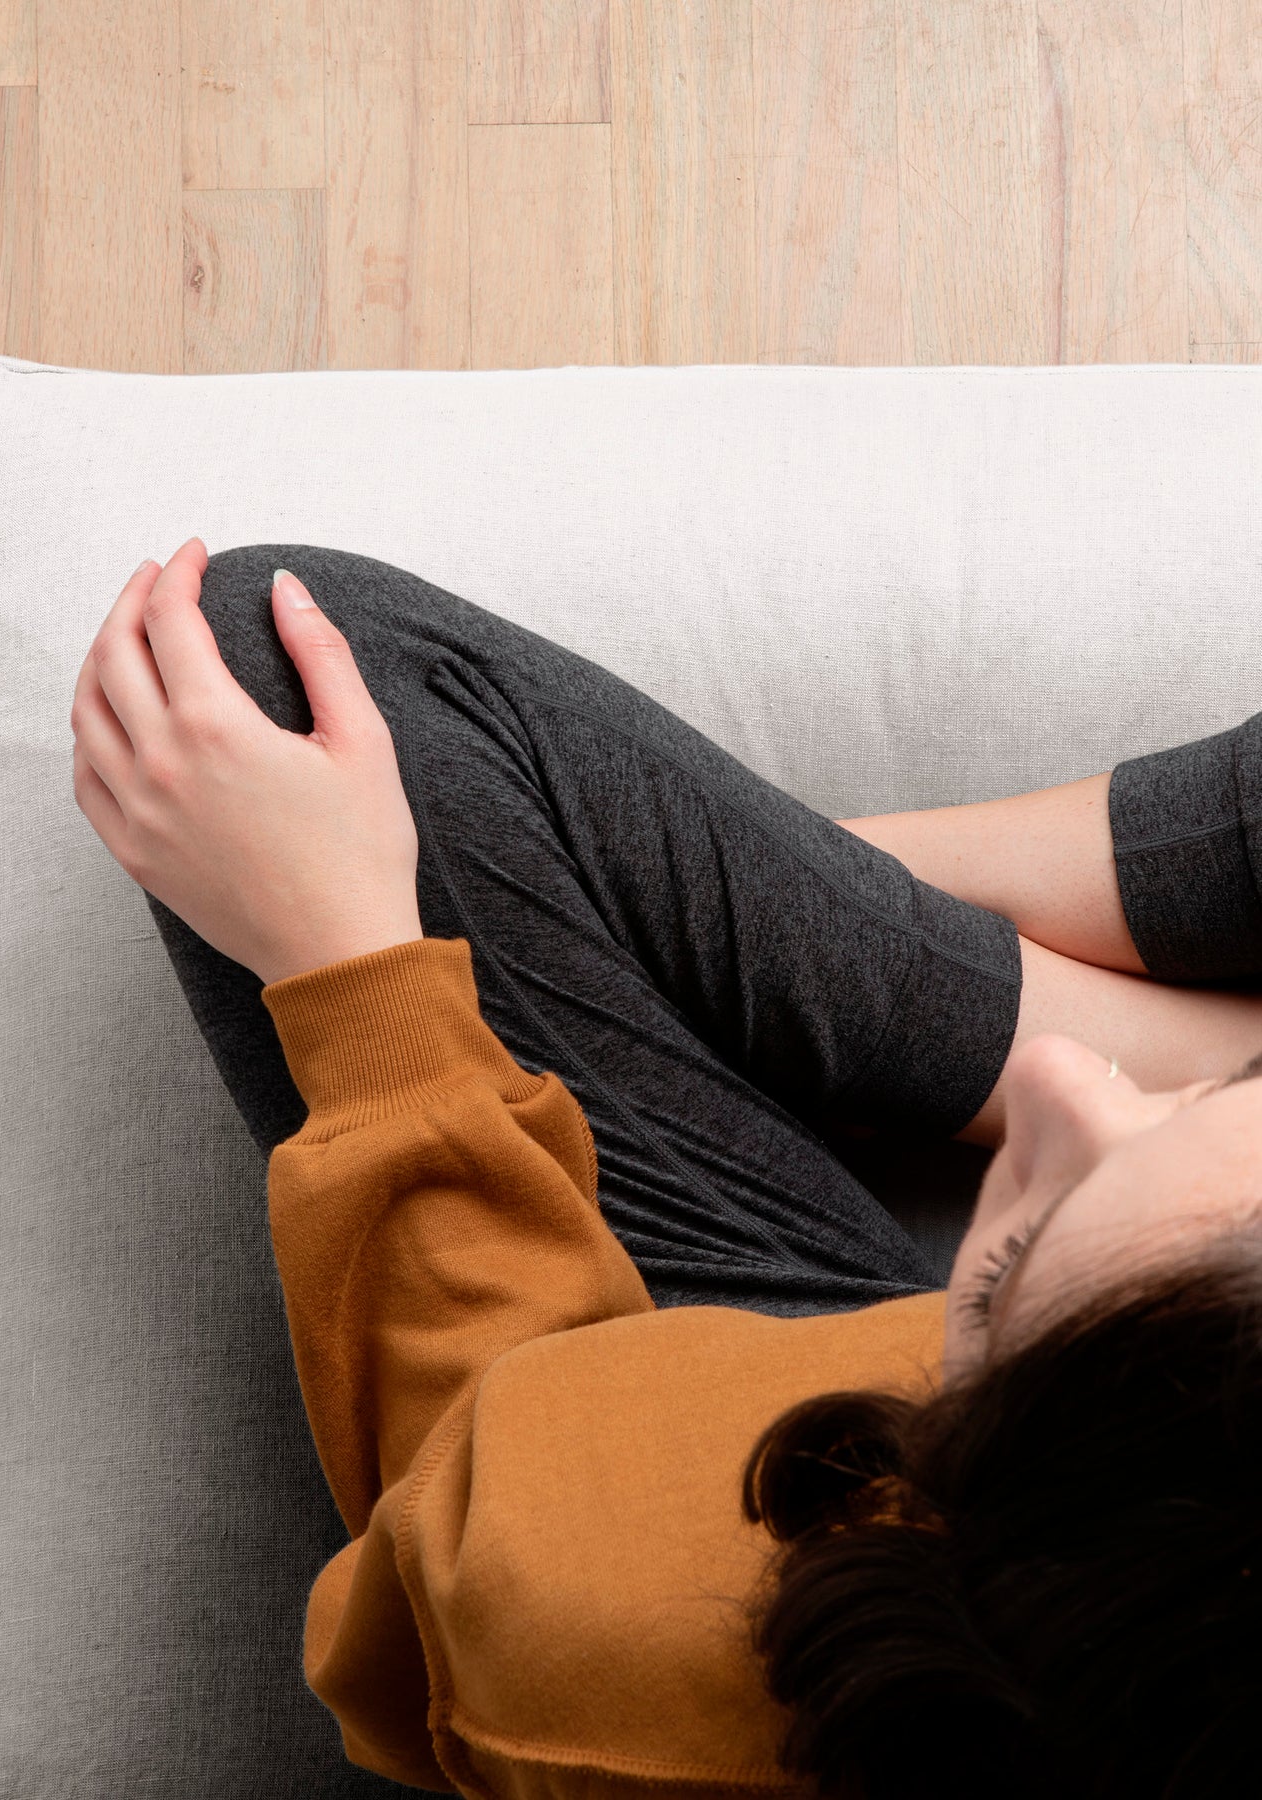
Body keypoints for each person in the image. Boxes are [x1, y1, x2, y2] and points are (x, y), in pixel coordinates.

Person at [70, 536, 1262, 1799]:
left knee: (265, 676)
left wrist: (351, 970)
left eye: (1009, 1259)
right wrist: (768, 909)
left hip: (720, 1423)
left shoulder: (630, 1619)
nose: (1058, 1085)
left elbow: (484, 1463)